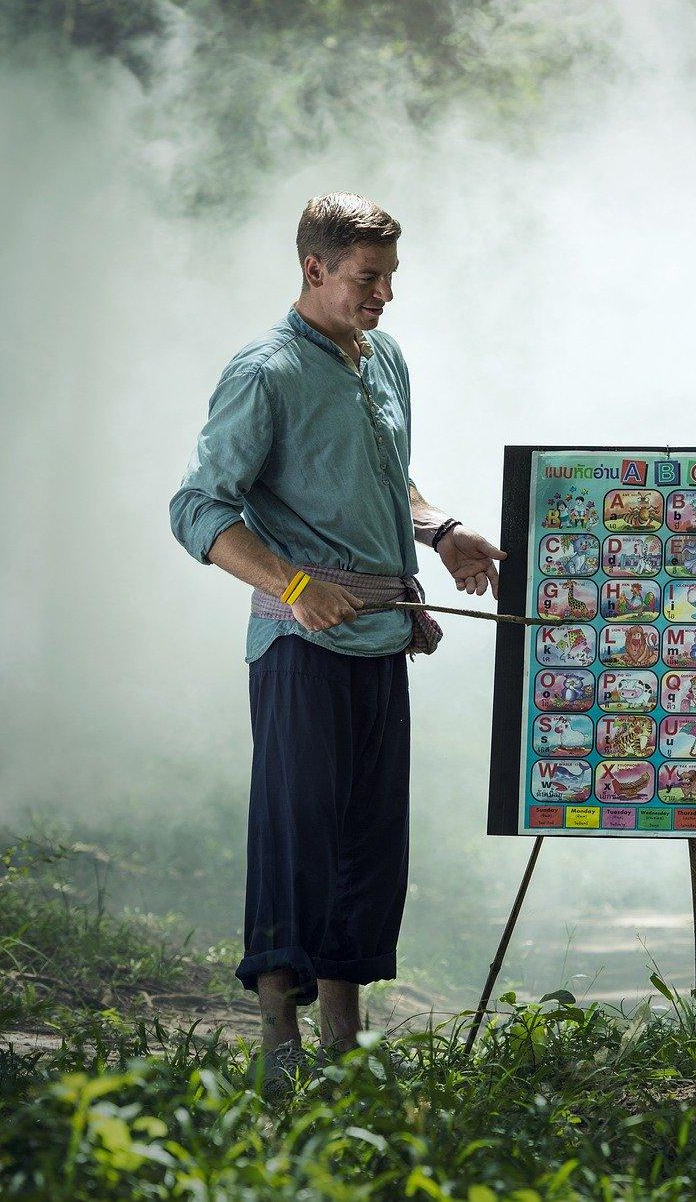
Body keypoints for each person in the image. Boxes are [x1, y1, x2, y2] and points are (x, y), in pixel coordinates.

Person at [168, 193, 504, 1079]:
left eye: (390, 276)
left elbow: (385, 477)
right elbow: (198, 508)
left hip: (381, 638)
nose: (385, 293)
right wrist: (294, 584)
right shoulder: (263, 372)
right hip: (300, 646)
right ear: (315, 269)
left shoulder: (383, 357)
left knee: (368, 843)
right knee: (296, 835)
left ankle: (343, 1051)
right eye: (368, 277)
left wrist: (443, 530)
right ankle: (280, 1050)